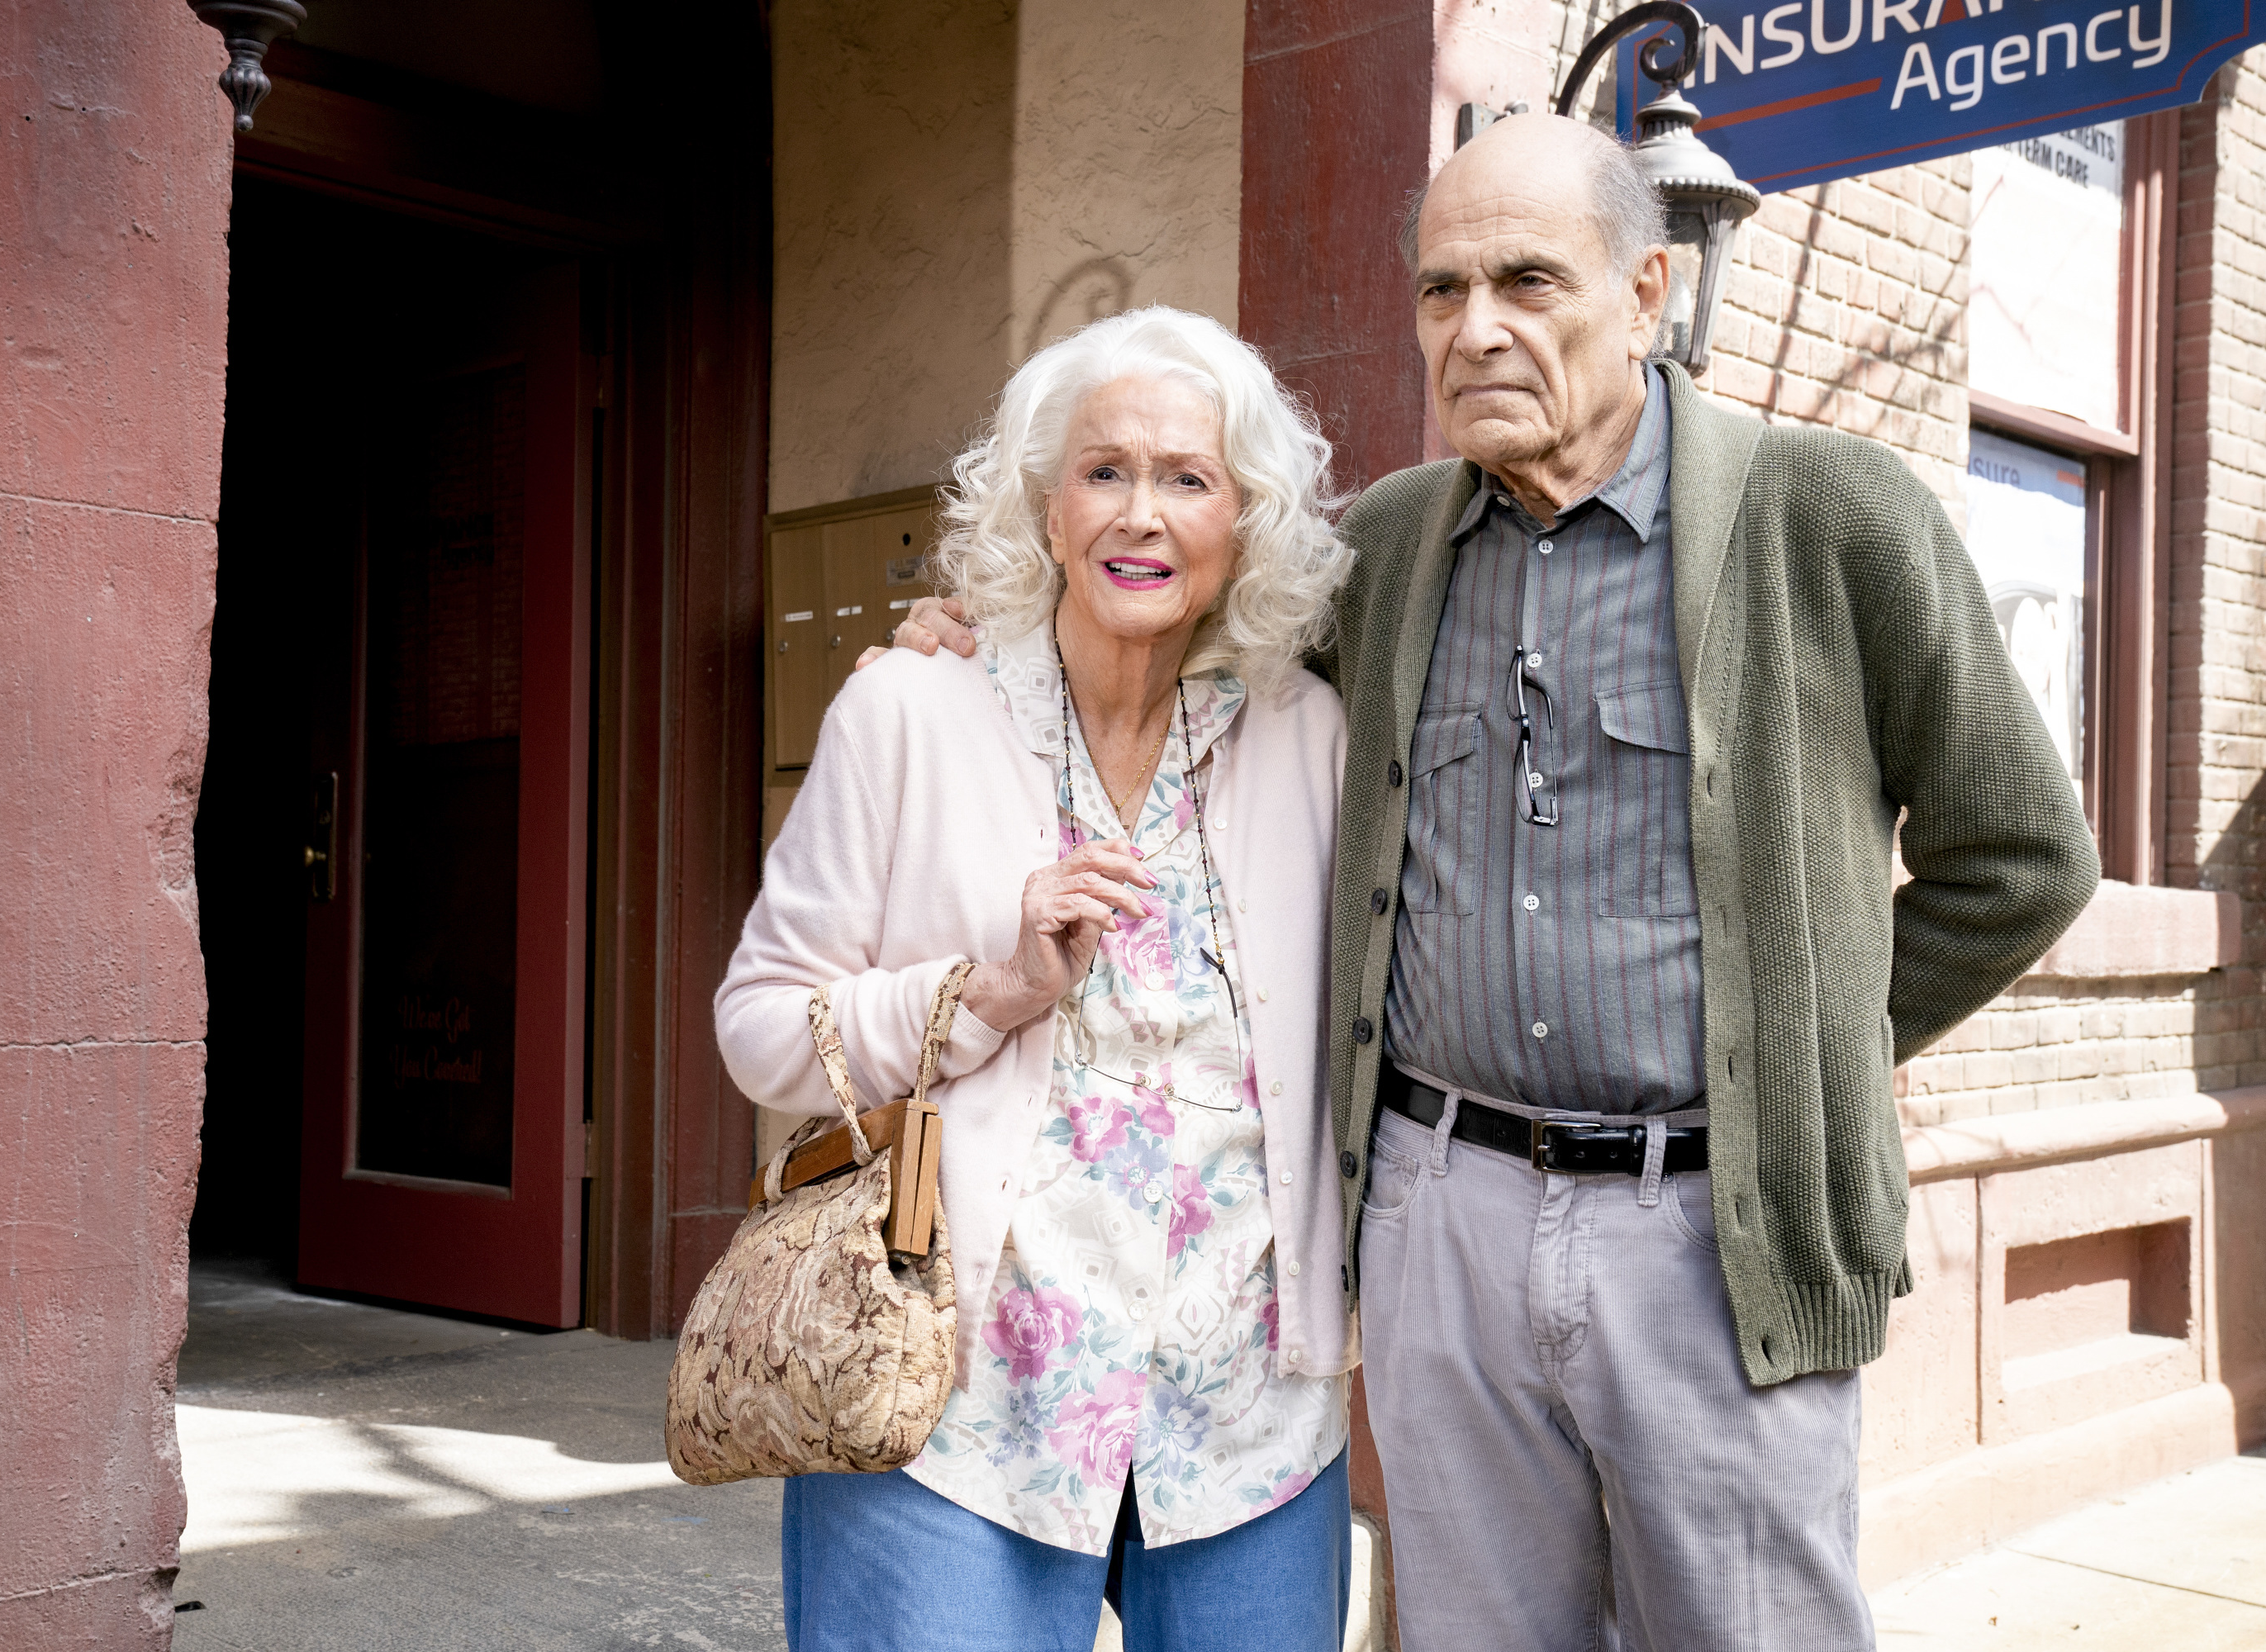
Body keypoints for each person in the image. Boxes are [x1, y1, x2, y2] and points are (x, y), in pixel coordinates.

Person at [886, 115, 2099, 1650]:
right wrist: (971, 631)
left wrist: (1805, 1056)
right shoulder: (1385, 548)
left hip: (1711, 1222)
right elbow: (1160, 638)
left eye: (1530, 281)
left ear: (1650, 289)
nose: (1478, 330)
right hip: (1436, 1211)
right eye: (1441, 291)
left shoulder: (1831, 517)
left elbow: (2025, 858)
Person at [716, 306, 1362, 1652]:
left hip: (1243, 1413)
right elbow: (764, 1030)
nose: (1143, 514)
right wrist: (989, 992)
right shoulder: (908, 713)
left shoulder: (1312, 736)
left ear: (1243, 521)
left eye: (1189, 479)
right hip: (960, 1397)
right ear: (1046, 508)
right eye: (1103, 471)